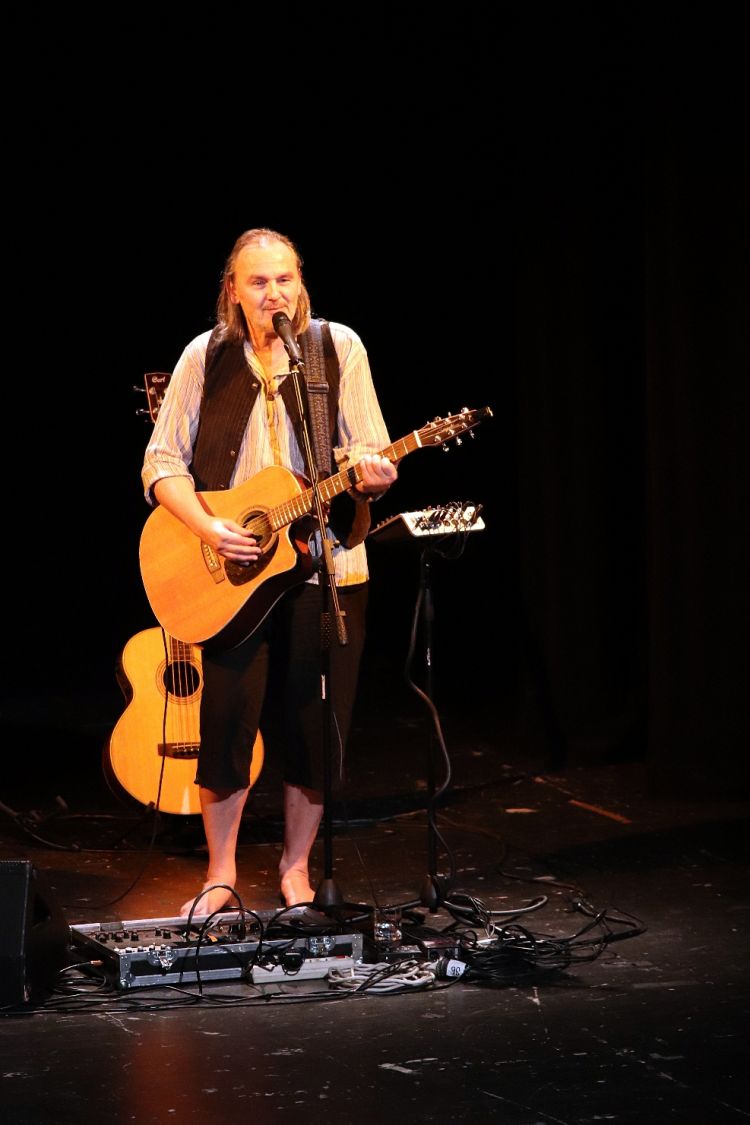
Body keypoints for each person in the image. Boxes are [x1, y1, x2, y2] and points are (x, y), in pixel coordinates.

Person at [141, 227, 397, 917]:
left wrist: (372, 474)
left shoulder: (337, 348)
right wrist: (209, 528)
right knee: (227, 721)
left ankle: (296, 868)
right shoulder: (204, 355)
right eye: (258, 281)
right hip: (232, 571)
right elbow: (161, 462)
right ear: (233, 290)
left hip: (325, 563)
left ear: (300, 282)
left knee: (316, 722)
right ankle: (220, 872)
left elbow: (367, 447)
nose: (274, 293)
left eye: (285, 278)